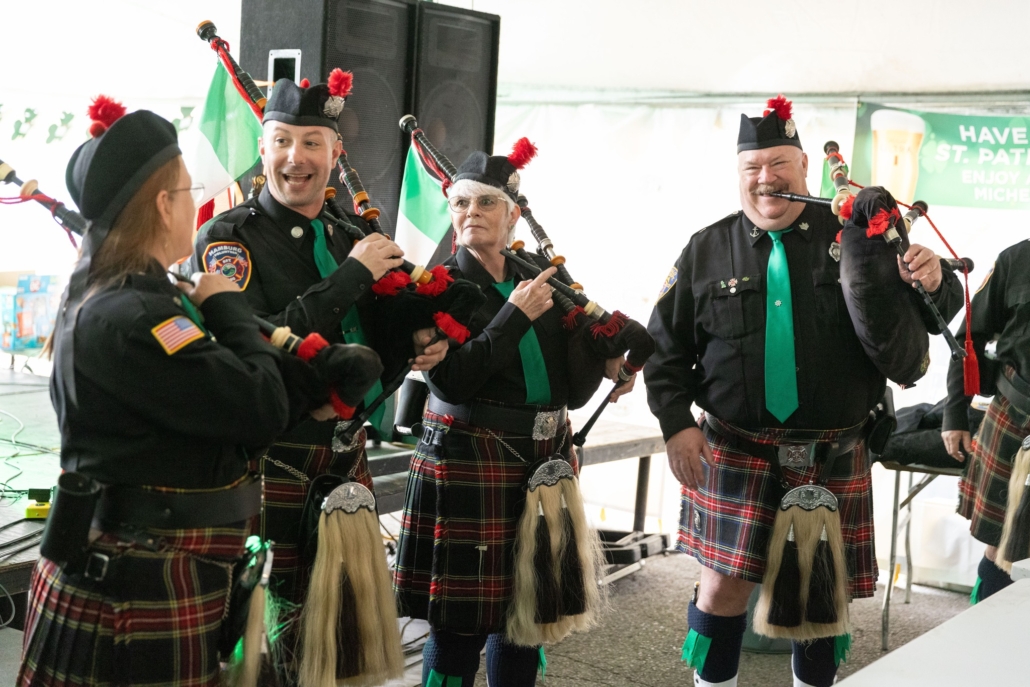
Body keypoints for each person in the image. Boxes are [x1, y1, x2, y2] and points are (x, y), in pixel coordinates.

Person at [20, 100, 379, 686]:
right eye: (188, 189)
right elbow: (254, 405)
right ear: (165, 206)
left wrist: (313, 384)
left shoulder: (147, 297)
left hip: (170, 566)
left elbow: (222, 400)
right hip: (138, 583)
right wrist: (229, 307)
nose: (198, 200)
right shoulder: (136, 315)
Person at [644, 96, 963, 687]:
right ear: (739, 175)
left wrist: (937, 279)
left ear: (804, 165)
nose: (766, 178)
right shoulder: (705, 248)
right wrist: (675, 423)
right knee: (721, 587)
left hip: (834, 449)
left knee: (822, 594)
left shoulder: (861, 240)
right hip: (735, 448)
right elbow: (663, 349)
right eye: (752, 167)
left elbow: (927, 317)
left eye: (779, 164)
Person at [191, 73, 448, 673]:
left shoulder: (349, 233)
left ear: (336, 154)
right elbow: (252, 343)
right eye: (282, 140)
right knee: (258, 640)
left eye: (313, 142)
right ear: (262, 149)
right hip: (269, 457)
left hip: (344, 454)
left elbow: (372, 341)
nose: (295, 157)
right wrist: (352, 276)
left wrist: (418, 342)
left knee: (333, 640)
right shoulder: (228, 241)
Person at [393, 142, 637, 687]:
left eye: (484, 204)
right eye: (459, 204)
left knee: (527, 621)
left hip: (542, 459)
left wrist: (611, 363)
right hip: (468, 460)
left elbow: (573, 383)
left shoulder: (540, 277)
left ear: (512, 213)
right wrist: (512, 315)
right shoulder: (440, 287)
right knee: (458, 627)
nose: (470, 215)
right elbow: (451, 381)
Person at [942, 239, 1030, 603]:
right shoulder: (1017, 259)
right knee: (1003, 542)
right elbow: (970, 337)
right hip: (1018, 411)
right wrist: (954, 413)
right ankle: (985, 630)